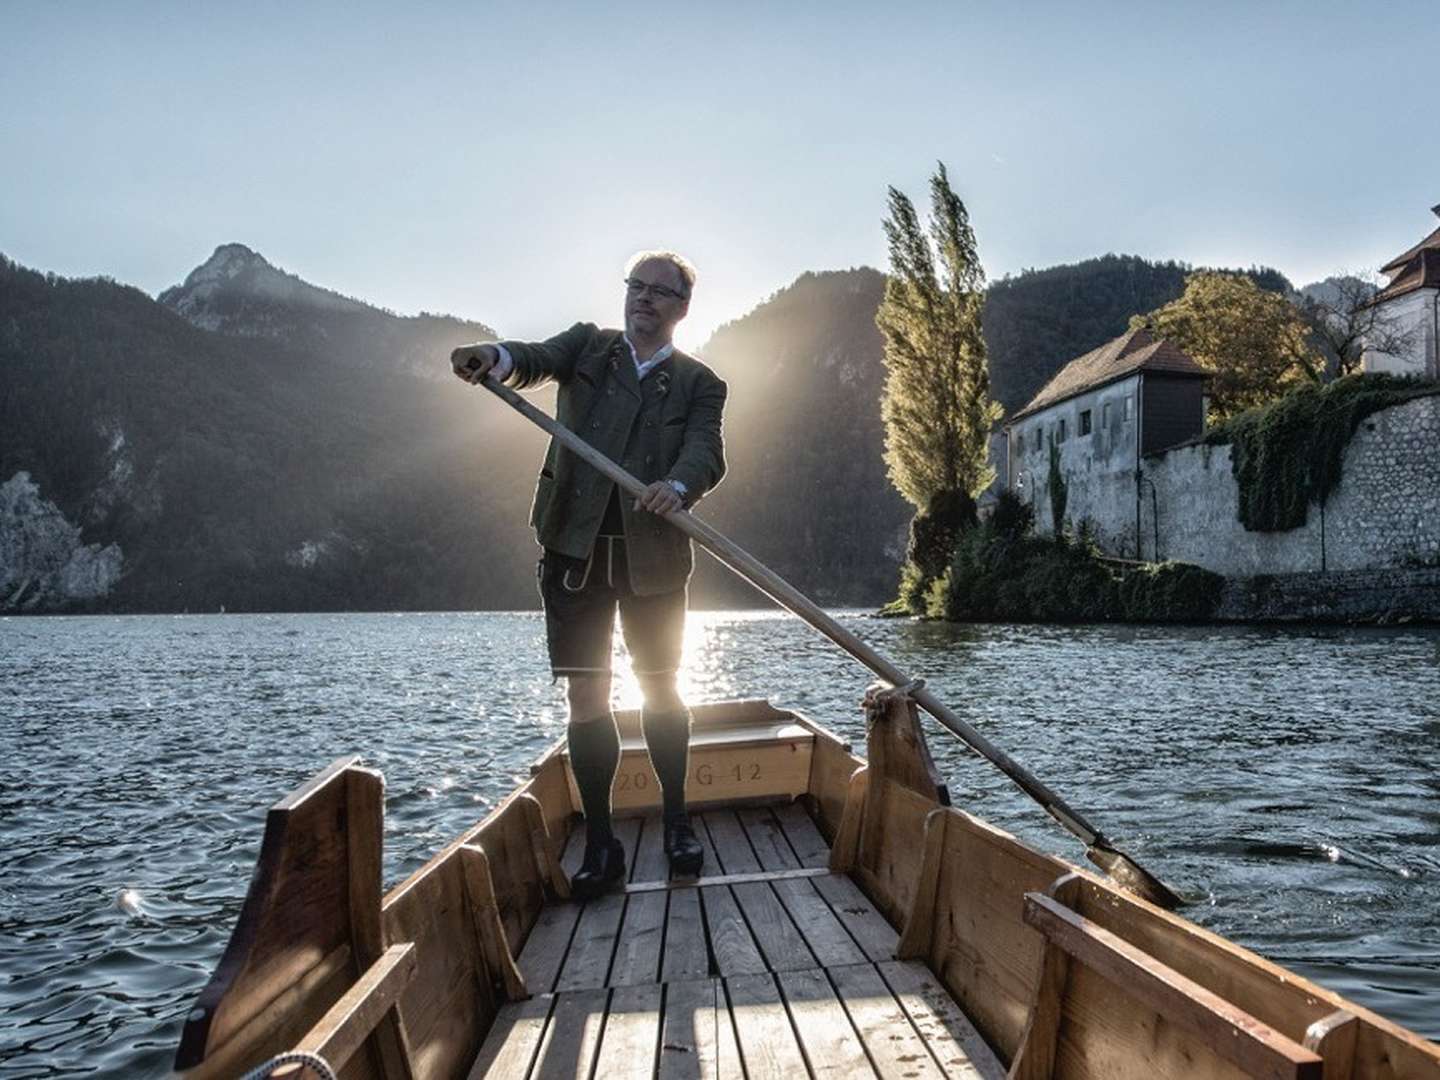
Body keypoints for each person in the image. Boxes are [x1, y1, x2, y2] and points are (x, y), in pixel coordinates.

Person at [450, 251, 727, 898]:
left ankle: (678, 825)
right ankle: (601, 844)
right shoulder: (588, 348)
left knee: (661, 690)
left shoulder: (699, 382)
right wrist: (491, 357)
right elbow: (531, 359)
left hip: (653, 558)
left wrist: (679, 484)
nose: (645, 300)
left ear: (682, 308)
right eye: (637, 287)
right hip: (574, 556)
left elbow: (706, 449)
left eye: (661, 293)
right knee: (587, 697)